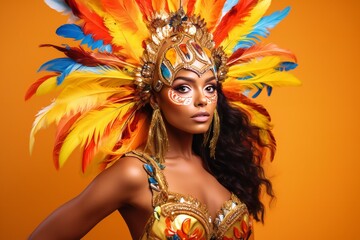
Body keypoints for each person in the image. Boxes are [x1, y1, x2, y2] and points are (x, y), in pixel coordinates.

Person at [27, 0, 300, 239]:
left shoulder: (223, 167)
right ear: (155, 98)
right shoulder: (135, 174)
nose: (201, 99)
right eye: (182, 87)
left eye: (210, 87)